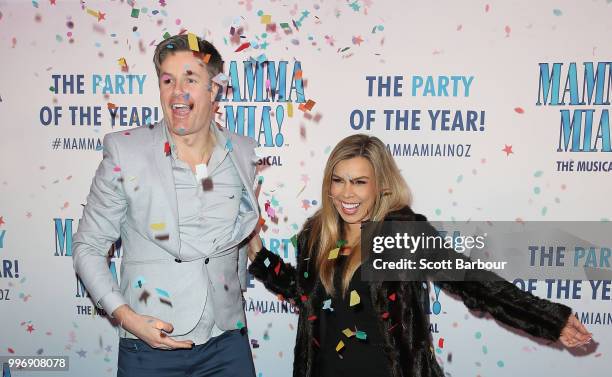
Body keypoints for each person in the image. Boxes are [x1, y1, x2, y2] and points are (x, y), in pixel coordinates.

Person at [247, 134, 592, 377]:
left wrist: (549, 319)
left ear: (381, 185)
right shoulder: (317, 234)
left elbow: (472, 282)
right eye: (338, 180)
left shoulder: (399, 233)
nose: (346, 193)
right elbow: (310, 297)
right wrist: (261, 257)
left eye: (359, 182)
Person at [73, 34, 258, 377]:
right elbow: (88, 247)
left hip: (227, 341)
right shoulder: (125, 152)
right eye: (168, 80)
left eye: (190, 78)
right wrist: (128, 318)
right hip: (151, 343)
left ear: (213, 89)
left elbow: (237, 240)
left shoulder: (243, 151)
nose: (177, 92)